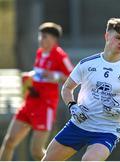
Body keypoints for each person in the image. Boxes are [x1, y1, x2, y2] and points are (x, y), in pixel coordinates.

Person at [42, 17, 120, 161]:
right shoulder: (87, 64)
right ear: (107, 36)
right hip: (78, 124)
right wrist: (73, 106)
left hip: (106, 131)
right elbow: (67, 88)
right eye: (118, 38)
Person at [0, 22, 73, 160]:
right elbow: (41, 74)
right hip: (29, 103)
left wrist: (56, 76)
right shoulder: (40, 52)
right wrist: (30, 76)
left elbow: (72, 77)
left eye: (44, 36)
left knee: (36, 151)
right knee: (10, 141)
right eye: (40, 36)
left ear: (53, 39)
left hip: (45, 106)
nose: (41, 39)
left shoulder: (60, 56)